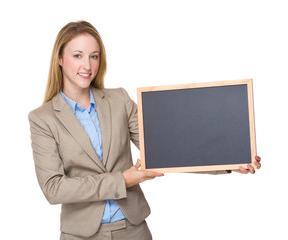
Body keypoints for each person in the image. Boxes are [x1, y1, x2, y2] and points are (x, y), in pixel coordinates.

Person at [28, 20, 261, 240]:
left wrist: (229, 162)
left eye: (94, 56)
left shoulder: (118, 99)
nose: (87, 65)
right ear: (59, 58)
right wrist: (122, 180)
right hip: (80, 234)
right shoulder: (43, 118)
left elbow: (169, 148)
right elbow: (54, 188)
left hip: (133, 230)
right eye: (77, 55)